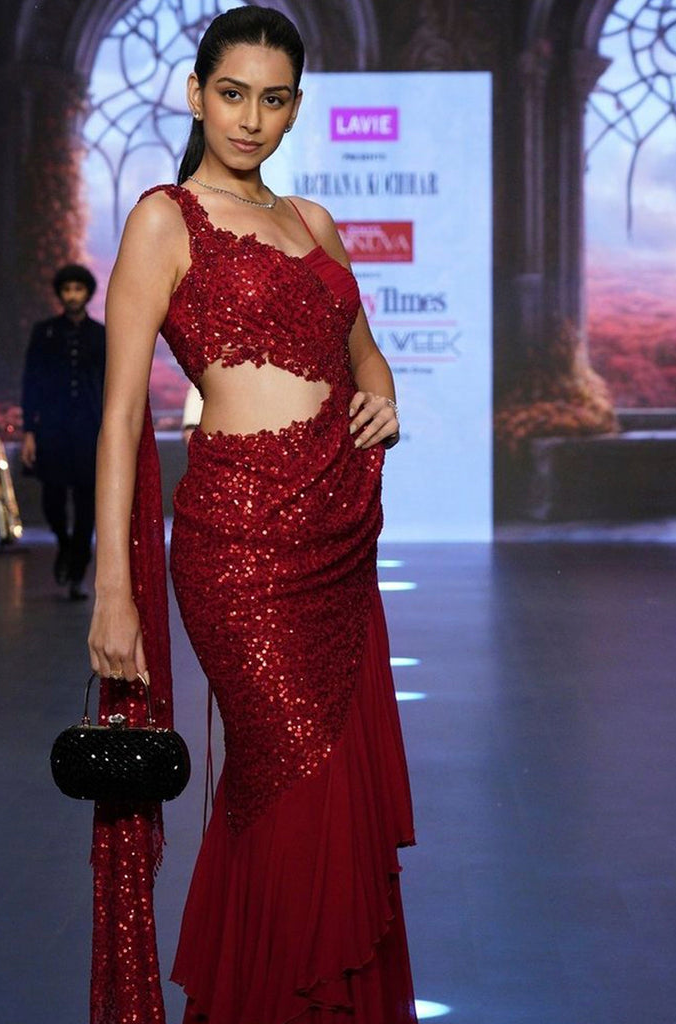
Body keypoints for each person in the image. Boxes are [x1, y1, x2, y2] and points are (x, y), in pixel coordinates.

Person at [87, 7, 416, 1023]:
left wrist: (383, 400)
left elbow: (365, 357)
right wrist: (113, 592)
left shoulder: (315, 223)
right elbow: (121, 417)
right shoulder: (164, 220)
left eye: (272, 100)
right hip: (239, 553)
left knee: (332, 797)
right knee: (286, 783)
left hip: (338, 540)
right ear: (196, 95)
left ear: (296, 108)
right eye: (231, 94)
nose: (249, 118)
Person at [20, 264, 106, 600]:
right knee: (52, 498)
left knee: (86, 503)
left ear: (87, 293)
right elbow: (31, 381)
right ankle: (64, 544)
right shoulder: (45, 333)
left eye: (78, 289)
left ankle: (78, 571)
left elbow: (109, 384)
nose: (72, 295)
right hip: (52, 427)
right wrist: (29, 430)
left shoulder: (100, 335)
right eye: (67, 289)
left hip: (89, 428)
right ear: (60, 294)